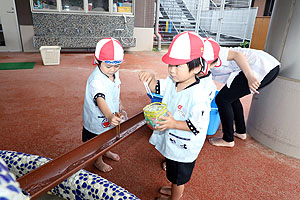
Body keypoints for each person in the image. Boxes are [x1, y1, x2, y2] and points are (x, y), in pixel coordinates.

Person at [139, 31, 216, 200]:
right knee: (173, 173)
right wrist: (150, 78)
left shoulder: (198, 96)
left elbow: (196, 126)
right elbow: (155, 88)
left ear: (196, 67)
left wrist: (173, 124)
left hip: (184, 148)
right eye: (170, 65)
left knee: (179, 177)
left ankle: (175, 196)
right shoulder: (172, 82)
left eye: (177, 66)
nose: (172, 71)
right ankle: (173, 188)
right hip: (174, 141)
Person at [203, 38, 281, 147]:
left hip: (262, 66)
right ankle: (240, 131)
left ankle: (228, 139)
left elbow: (238, 56)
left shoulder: (211, 51)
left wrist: (250, 77)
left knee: (222, 99)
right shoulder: (201, 56)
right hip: (268, 66)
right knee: (231, 98)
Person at [82, 37, 125, 172]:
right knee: (96, 141)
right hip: (98, 118)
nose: (113, 69)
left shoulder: (114, 73)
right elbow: (100, 98)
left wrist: (120, 103)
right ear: (97, 61)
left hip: (110, 115)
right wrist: (109, 115)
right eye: (108, 66)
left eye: (117, 65)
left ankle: (106, 152)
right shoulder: (96, 80)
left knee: (108, 136)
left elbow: (115, 90)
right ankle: (97, 160)